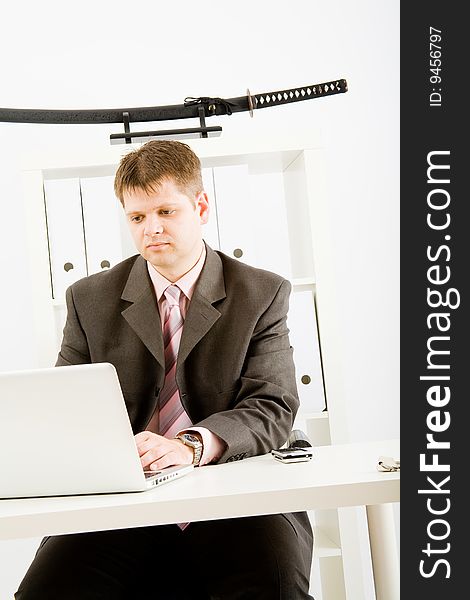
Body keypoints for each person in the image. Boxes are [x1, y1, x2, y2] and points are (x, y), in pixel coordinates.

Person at [16, 140, 314, 599]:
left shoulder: (262, 292)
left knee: (273, 588)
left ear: (200, 206)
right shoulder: (88, 299)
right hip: (126, 504)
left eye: (165, 212)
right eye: (137, 218)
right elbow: (66, 409)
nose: (150, 229)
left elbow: (273, 406)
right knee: (45, 591)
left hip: (239, 497)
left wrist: (191, 445)